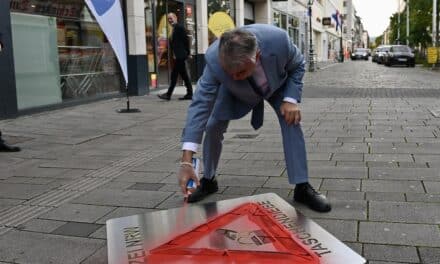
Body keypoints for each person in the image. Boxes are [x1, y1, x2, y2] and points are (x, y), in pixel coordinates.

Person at [177, 24, 331, 213]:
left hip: (276, 85)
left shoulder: (279, 41)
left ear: (256, 55)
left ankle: (302, 186)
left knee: (292, 121)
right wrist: (186, 160)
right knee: (213, 125)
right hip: (233, 91)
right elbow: (200, 106)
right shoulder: (214, 60)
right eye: (229, 71)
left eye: (240, 71)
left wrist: (290, 99)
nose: (235, 76)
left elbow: (298, 65)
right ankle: (209, 180)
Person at [158, 13, 193, 101]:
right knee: (184, 75)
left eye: (171, 18)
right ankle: (190, 93)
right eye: (168, 19)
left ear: (175, 18)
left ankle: (168, 94)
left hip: (181, 55)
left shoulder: (179, 28)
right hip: (178, 56)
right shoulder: (173, 29)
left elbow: (186, 41)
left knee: (174, 75)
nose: (170, 20)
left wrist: (188, 53)